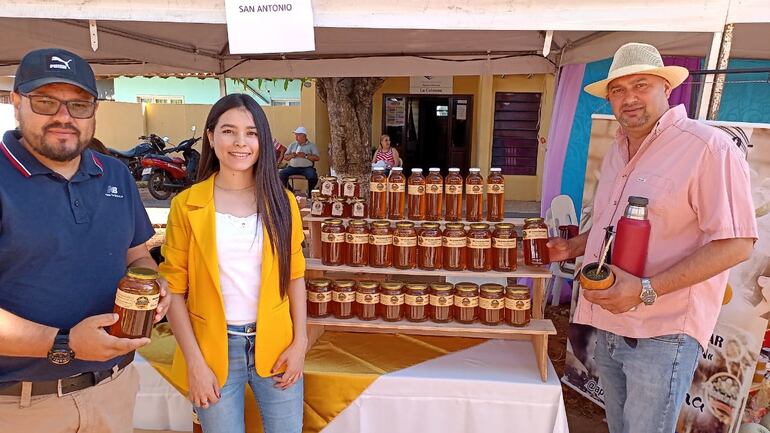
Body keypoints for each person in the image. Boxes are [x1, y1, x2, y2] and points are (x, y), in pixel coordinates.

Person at [547, 42, 758, 433]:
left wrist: (646, 289)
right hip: (608, 320)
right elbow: (616, 225)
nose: (628, 99)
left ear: (666, 87)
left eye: (641, 85)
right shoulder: (619, 148)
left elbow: (737, 243)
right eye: (618, 90)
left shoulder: (708, 148)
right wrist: (575, 245)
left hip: (663, 332)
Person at [0, 48, 169, 432]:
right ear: (16, 102)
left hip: (114, 391)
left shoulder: (115, 175)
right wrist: (62, 343)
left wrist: (155, 283)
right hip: (18, 407)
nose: (64, 116)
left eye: (79, 105)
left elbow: (138, 257)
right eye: (46, 102)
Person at [160, 94, 307, 433]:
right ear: (211, 137)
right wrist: (194, 364)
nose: (240, 142)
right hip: (211, 349)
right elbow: (174, 291)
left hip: (278, 346)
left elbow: (295, 277)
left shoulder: (281, 202)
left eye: (251, 133)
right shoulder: (187, 205)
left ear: (263, 141)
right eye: (229, 131)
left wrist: (299, 343)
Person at [278, 126, 319, 191]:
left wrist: (305, 156)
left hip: (307, 168)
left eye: (298, 135)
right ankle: (290, 191)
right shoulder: (293, 145)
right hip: (293, 168)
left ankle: (310, 192)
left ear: (304, 136)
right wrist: (291, 155)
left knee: (313, 176)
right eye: (296, 135)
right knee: (281, 174)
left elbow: (317, 158)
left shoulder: (311, 145)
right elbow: (285, 157)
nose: (296, 137)